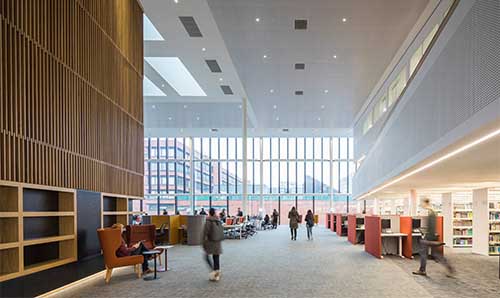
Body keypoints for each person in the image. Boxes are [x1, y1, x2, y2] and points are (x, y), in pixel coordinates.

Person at [413, 198, 455, 277]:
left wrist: (427, 236)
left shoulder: (431, 213)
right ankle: (449, 268)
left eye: (422, 203)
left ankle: (422, 270)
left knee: (423, 253)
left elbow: (431, 227)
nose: (421, 205)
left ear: (425, 203)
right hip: (432, 236)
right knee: (436, 254)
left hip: (429, 237)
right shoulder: (433, 212)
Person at [203, 208, 224, 281]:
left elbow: (205, 232)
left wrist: (203, 241)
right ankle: (217, 273)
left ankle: (213, 272)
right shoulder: (218, 221)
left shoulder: (208, 221)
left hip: (210, 242)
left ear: (209, 213)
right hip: (218, 242)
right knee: (216, 257)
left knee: (206, 256)